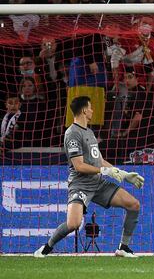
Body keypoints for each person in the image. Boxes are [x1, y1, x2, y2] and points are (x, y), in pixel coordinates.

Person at [34, 96, 145, 258]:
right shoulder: (72, 133)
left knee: (134, 205)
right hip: (80, 185)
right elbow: (79, 166)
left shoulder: (90, 132)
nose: (93, 110)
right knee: (73, 224)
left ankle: (123, 247)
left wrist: (122, 174)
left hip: (98, 184)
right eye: (91, 107)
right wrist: (104, 172)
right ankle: (47, 247)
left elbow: (99, 160)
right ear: (85, 110)